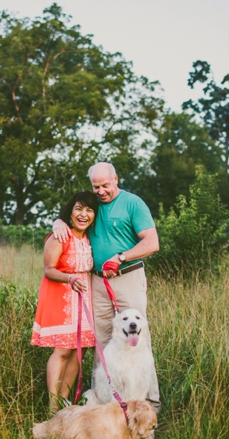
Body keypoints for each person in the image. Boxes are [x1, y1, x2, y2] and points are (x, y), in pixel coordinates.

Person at [52, 162, 161, 412]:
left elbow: (152, 243)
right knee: (101, 342)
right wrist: (57, 221)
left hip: (127, 276)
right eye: (95, 186)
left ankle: (149, 405)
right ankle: (101, 404)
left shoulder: (133, 203)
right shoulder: (92, 204)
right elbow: (72, 213)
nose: (101, 191)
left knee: (137, 339)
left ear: (115, 179)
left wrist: (121, 256)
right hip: (97, 281)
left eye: (105, 185)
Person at [31, 191, 99, 413]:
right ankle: (52, 408)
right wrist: (69, 278)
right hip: (61, 298)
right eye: (79, 208)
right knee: (62, 351)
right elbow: (49, 269)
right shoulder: (60, 235)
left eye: (89, 210)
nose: (84, 214)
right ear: (70, 212)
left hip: (84, 299)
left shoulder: (89, 238)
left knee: (79, 351)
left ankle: (64, 401)